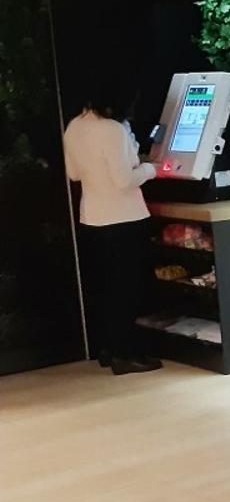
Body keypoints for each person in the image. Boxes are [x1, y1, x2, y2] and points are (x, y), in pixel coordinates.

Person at [64, 77, 162, 375]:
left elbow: (74, 174)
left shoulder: (74, 126)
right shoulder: (113, 129)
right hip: (124, 217)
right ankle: (125, 354)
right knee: (127, 289)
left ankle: (108, 349)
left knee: (107, 288)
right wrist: (150, 169)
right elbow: (124, 180)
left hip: (92, 217)